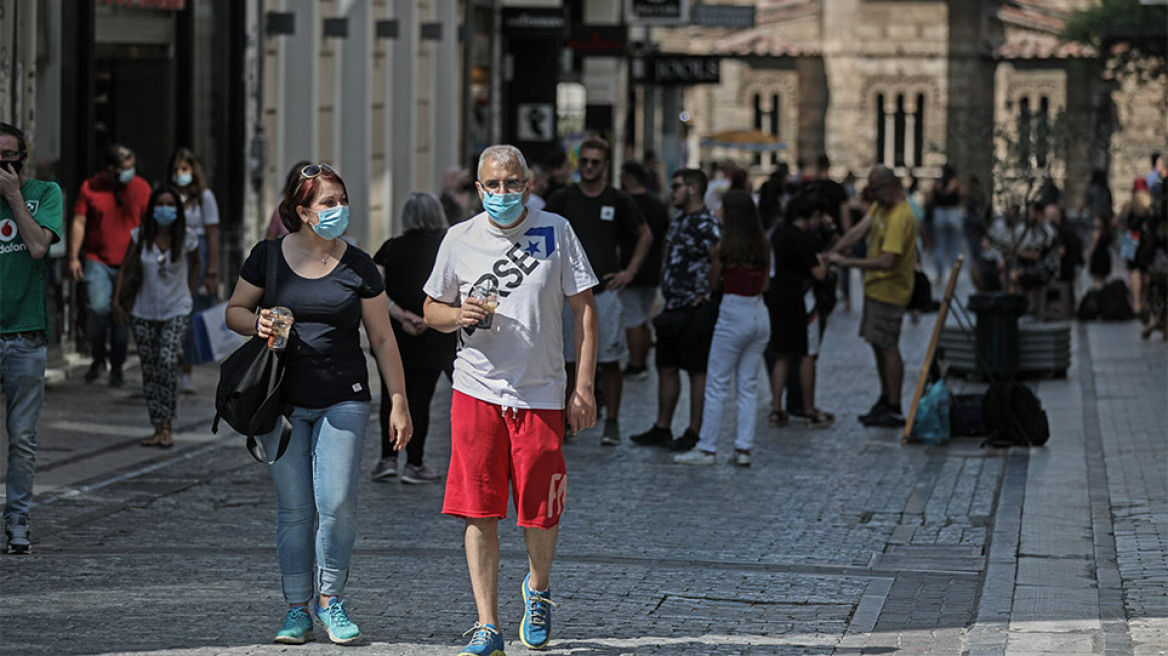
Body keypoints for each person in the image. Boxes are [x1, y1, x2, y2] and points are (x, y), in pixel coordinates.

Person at [224, 162, 412, 646]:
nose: (340, 210)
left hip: (343, 398)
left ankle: (331, 602)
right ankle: (295, 610)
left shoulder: (360, 264)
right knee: (294, 511)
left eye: (343, 200)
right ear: (303, 211)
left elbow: (383, 340)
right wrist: (259, 322)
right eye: (329, 203)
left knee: (338, 505)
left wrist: (399, 402)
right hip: (280, 401)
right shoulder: (266, 257)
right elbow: (234, 312)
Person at [422, 144, 598, 655]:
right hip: (476, 387)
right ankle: (487, 625)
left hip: (540, 390)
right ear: (478, 190)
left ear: (529, 185)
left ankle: (537, 590)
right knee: (479, 511)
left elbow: (584, 311)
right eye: (493, 185)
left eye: (512, 183)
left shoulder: (555, 231)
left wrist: (582, 386)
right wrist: (456, 317)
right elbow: (431, 306)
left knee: (541, 510)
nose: (503, 193)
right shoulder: (459, 239)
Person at [546, 137, 651, 446]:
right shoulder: (563, 198)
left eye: (595, 162)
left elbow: (645, 234)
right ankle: (565, 421)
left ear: (606, 165)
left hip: (604, 292)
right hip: (567, 294)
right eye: (585, 161)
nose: (589, 167)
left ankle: (613, 423)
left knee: (609, 361)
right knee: (566, 361)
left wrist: (630, 272)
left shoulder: (617, 199)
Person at [673, 190, 771, 467]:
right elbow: (765, 285)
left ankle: (707, 447)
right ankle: (743, 448)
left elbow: (715, 283)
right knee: (748, 386)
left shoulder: (723, 248)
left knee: (717, 384)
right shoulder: (763, 245)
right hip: (759, 312)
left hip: (732, 312)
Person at [0, 123, 62, 554]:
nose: (5, 164)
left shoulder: (46, 193)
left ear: (24, 156)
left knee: (22, 436)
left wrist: (14, 198)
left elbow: (39, 246)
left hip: (26, 335)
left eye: (11, 155)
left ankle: (17, 518)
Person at [631, 168, 721, 451]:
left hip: (694, 308)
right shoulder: (680, 220)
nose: (672, 191)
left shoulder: (707, 223)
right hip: (672, 305)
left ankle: (694, 430)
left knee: (696, 371)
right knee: (666, 367)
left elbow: (718, 257)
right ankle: (662, 426)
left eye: (677, 186)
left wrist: (708, 292)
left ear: (694, 189)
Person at [370, 192, 456, 484]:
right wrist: (428, 318)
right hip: (435, 334)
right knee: (421, 398)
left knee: (392, 397)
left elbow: (374, 288)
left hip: (396, 336)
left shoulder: (391, 248)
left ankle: (388, 458)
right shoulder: (447, 246)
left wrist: (401, 315)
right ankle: (415, 463)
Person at [827, 165, 918, 428]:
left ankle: (894, 405)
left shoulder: (901, 216)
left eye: (875, 189)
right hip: (875, 290)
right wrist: (833, 252)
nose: (871, 195)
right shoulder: (882, 206)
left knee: (888, 345)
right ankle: (885, 397)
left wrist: (847, 262)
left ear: (890, 187)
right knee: (878, 344)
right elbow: (859, 231)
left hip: (891, 291)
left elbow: (888, 261)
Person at [112, 185, 200, 448]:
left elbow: (197, 264)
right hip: (143, 311)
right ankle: (157, 427)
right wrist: (116, 301)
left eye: (170, 205)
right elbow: (126, 269)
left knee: (167, 361)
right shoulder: (140, 237)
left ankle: (168, 425)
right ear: (152, 210)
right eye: (160, 204)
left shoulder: (187, 238)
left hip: (176, 309)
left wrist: (190, 292)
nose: (165, 210)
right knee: (150, 370)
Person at [69, 144, 151, 387]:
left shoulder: (142, 188)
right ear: (109, 169)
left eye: (131, 168)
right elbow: (79, 222)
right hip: (98, 260)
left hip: (130, 263)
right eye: (124, 169)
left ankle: (116, 367)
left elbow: (150, 224)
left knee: (120, 317)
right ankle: (97, 356)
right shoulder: (90, 187)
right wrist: (73, 256)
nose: (129, 173)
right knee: (97, 309)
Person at [767, 191, 835, 430]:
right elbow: (818, 273)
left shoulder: (779, 234)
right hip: (802, 300)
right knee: (808, 354)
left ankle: (776, 409)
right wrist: (827, 268)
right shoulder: (803, 238)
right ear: (813, 215)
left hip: (778, 296)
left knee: (782, 353)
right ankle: (808, 409)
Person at [169, 148, 220, 394]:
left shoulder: (204, 198)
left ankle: (187, 367)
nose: (180, 174)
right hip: (173, 253)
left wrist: (212, 268)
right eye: (177, 170)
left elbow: (212, 234)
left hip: (195, 254)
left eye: (185, 169)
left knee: (190, 313)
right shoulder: (169, 197)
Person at [618, 160, 670, 380]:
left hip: (630, 269)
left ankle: (636, 363)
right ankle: (642, 361)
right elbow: (665, 239)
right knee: (644, 318)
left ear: (629, 178)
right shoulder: (657, 204)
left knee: (634, 320)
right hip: (653, 269)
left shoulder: (624, 203)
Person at [928, 164, 964, 285]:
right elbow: (961, 195)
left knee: (940, 246)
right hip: (953, 213)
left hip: (940, 214)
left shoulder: (937, 183)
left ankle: (940, 276)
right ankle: (954, 277)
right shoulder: (955, 182)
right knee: (954, 248)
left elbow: (930, 197)